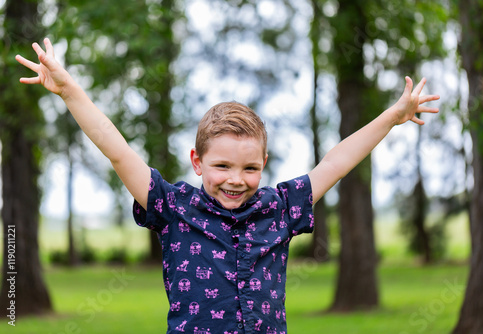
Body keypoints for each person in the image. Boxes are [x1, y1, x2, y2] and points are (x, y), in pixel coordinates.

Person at [16, 38, 440, 333]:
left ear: (264, 164)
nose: (236, 180)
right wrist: (70, 90)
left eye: (250, 168)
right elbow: (117, 150)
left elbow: (337, 162)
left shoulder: (281, 208)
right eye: (222, 166)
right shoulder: (172, 206)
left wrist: (393, 116)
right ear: (197, 163)